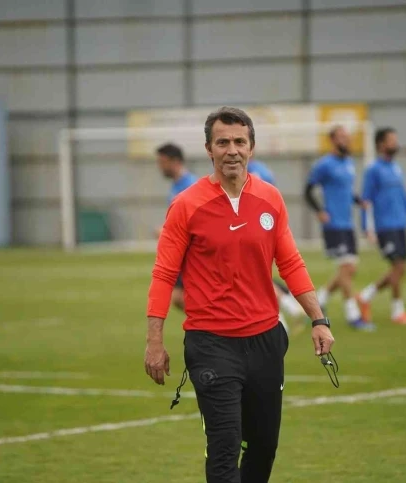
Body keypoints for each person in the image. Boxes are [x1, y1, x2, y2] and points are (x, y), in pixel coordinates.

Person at [145, 106, 335, 483]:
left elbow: (291, 263)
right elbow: (164, 275)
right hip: (211, 345)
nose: (231, 150)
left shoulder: (271, 199)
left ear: (251, 147)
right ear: (209, 149)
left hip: (265, 341)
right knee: (225, 446)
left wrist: (319, 319)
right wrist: (154, 341)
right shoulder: (185, 205)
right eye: (222, 143)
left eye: (239, 142)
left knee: (263, 448)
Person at [358, 127, 406, 325]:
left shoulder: (396, 168)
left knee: (400, 268)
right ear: (381, 144)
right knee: (398, 266)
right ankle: (397, 311)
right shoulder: (373, 170)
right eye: (392, 140)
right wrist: (367, 227)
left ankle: (366, 296)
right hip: (385, 226)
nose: (396, 143)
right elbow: (365, 201)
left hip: (400, 224)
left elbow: (404, 198)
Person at [305, 126, 373, 331]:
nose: (346, 140)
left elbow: (347, 191)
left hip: (348, 223)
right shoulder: (324, 164)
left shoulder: (349, 163)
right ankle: (353, 315)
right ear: (333, 140)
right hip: (333, 223)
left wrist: (359, 201)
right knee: (345, 268)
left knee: (350, 269)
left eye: (347, 137)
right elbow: (308, 190)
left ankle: (321, 299)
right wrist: (319, 210)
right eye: (341, 137)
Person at [248, 157, 306, 329]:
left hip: (253, 229)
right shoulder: (264, 170)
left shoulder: (254, 173)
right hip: (261, 227)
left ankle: (287, 311)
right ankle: (288, 309)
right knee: (258, 277)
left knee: (256, 277)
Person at [155, 143, 198, 311]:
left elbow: (197, 221)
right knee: (180, 297)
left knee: (180, 296)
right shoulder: (176, 186)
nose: (160, 167)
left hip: (193, 252)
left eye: (162, 162)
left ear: (175, 161)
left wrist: (166, 231)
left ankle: (216, 321)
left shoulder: (190, 186)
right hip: (182, 251)